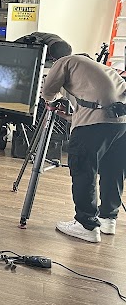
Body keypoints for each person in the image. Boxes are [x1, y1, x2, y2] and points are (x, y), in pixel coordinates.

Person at [43, 53, 126, 243]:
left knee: (83, 168)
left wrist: (53, 100)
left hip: (95, 121)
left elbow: (48, 91)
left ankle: (86, 224)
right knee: (114, 170)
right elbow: (100, 102)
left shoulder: (66, 61)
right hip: (122, 123)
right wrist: (71, 116)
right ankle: (108, 219)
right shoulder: (101, 69)